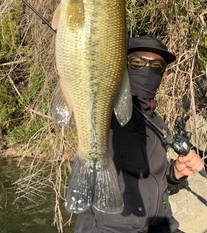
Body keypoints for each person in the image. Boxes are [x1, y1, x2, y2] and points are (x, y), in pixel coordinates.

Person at [74, 35, 204, 233]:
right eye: (137, 62)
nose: (148, 70)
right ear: (122, 65)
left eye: (157, 66)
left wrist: (176, 172)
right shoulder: (107, 112)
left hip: (159, 224)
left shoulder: (158, 124)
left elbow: (154, 179)